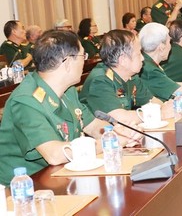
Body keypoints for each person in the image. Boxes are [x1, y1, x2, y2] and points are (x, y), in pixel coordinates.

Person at [0, 30, 142, 185]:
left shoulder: (67, 90)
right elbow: (54, 154)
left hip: (64, 173)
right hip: (26, 186)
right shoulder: (26, 101)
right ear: (67, 63)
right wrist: (109, 144)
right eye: (83, 56)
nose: (84, 61)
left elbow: (93, 126)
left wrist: (117, 133)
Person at [79, 30, 172, 126]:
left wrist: (165, 107)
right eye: (138, 54)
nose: (143, 58)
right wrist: (159, 114)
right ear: (123, 60)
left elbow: (152, 101)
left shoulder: (132, 76)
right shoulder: (100, 81)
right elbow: (120, 119)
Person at [139, 23, 182, 102]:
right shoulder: (149, 70)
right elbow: (179, 92)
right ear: (161, 47)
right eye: (169, 42)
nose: (170, 46)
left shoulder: (147, 62)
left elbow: (168, 84)